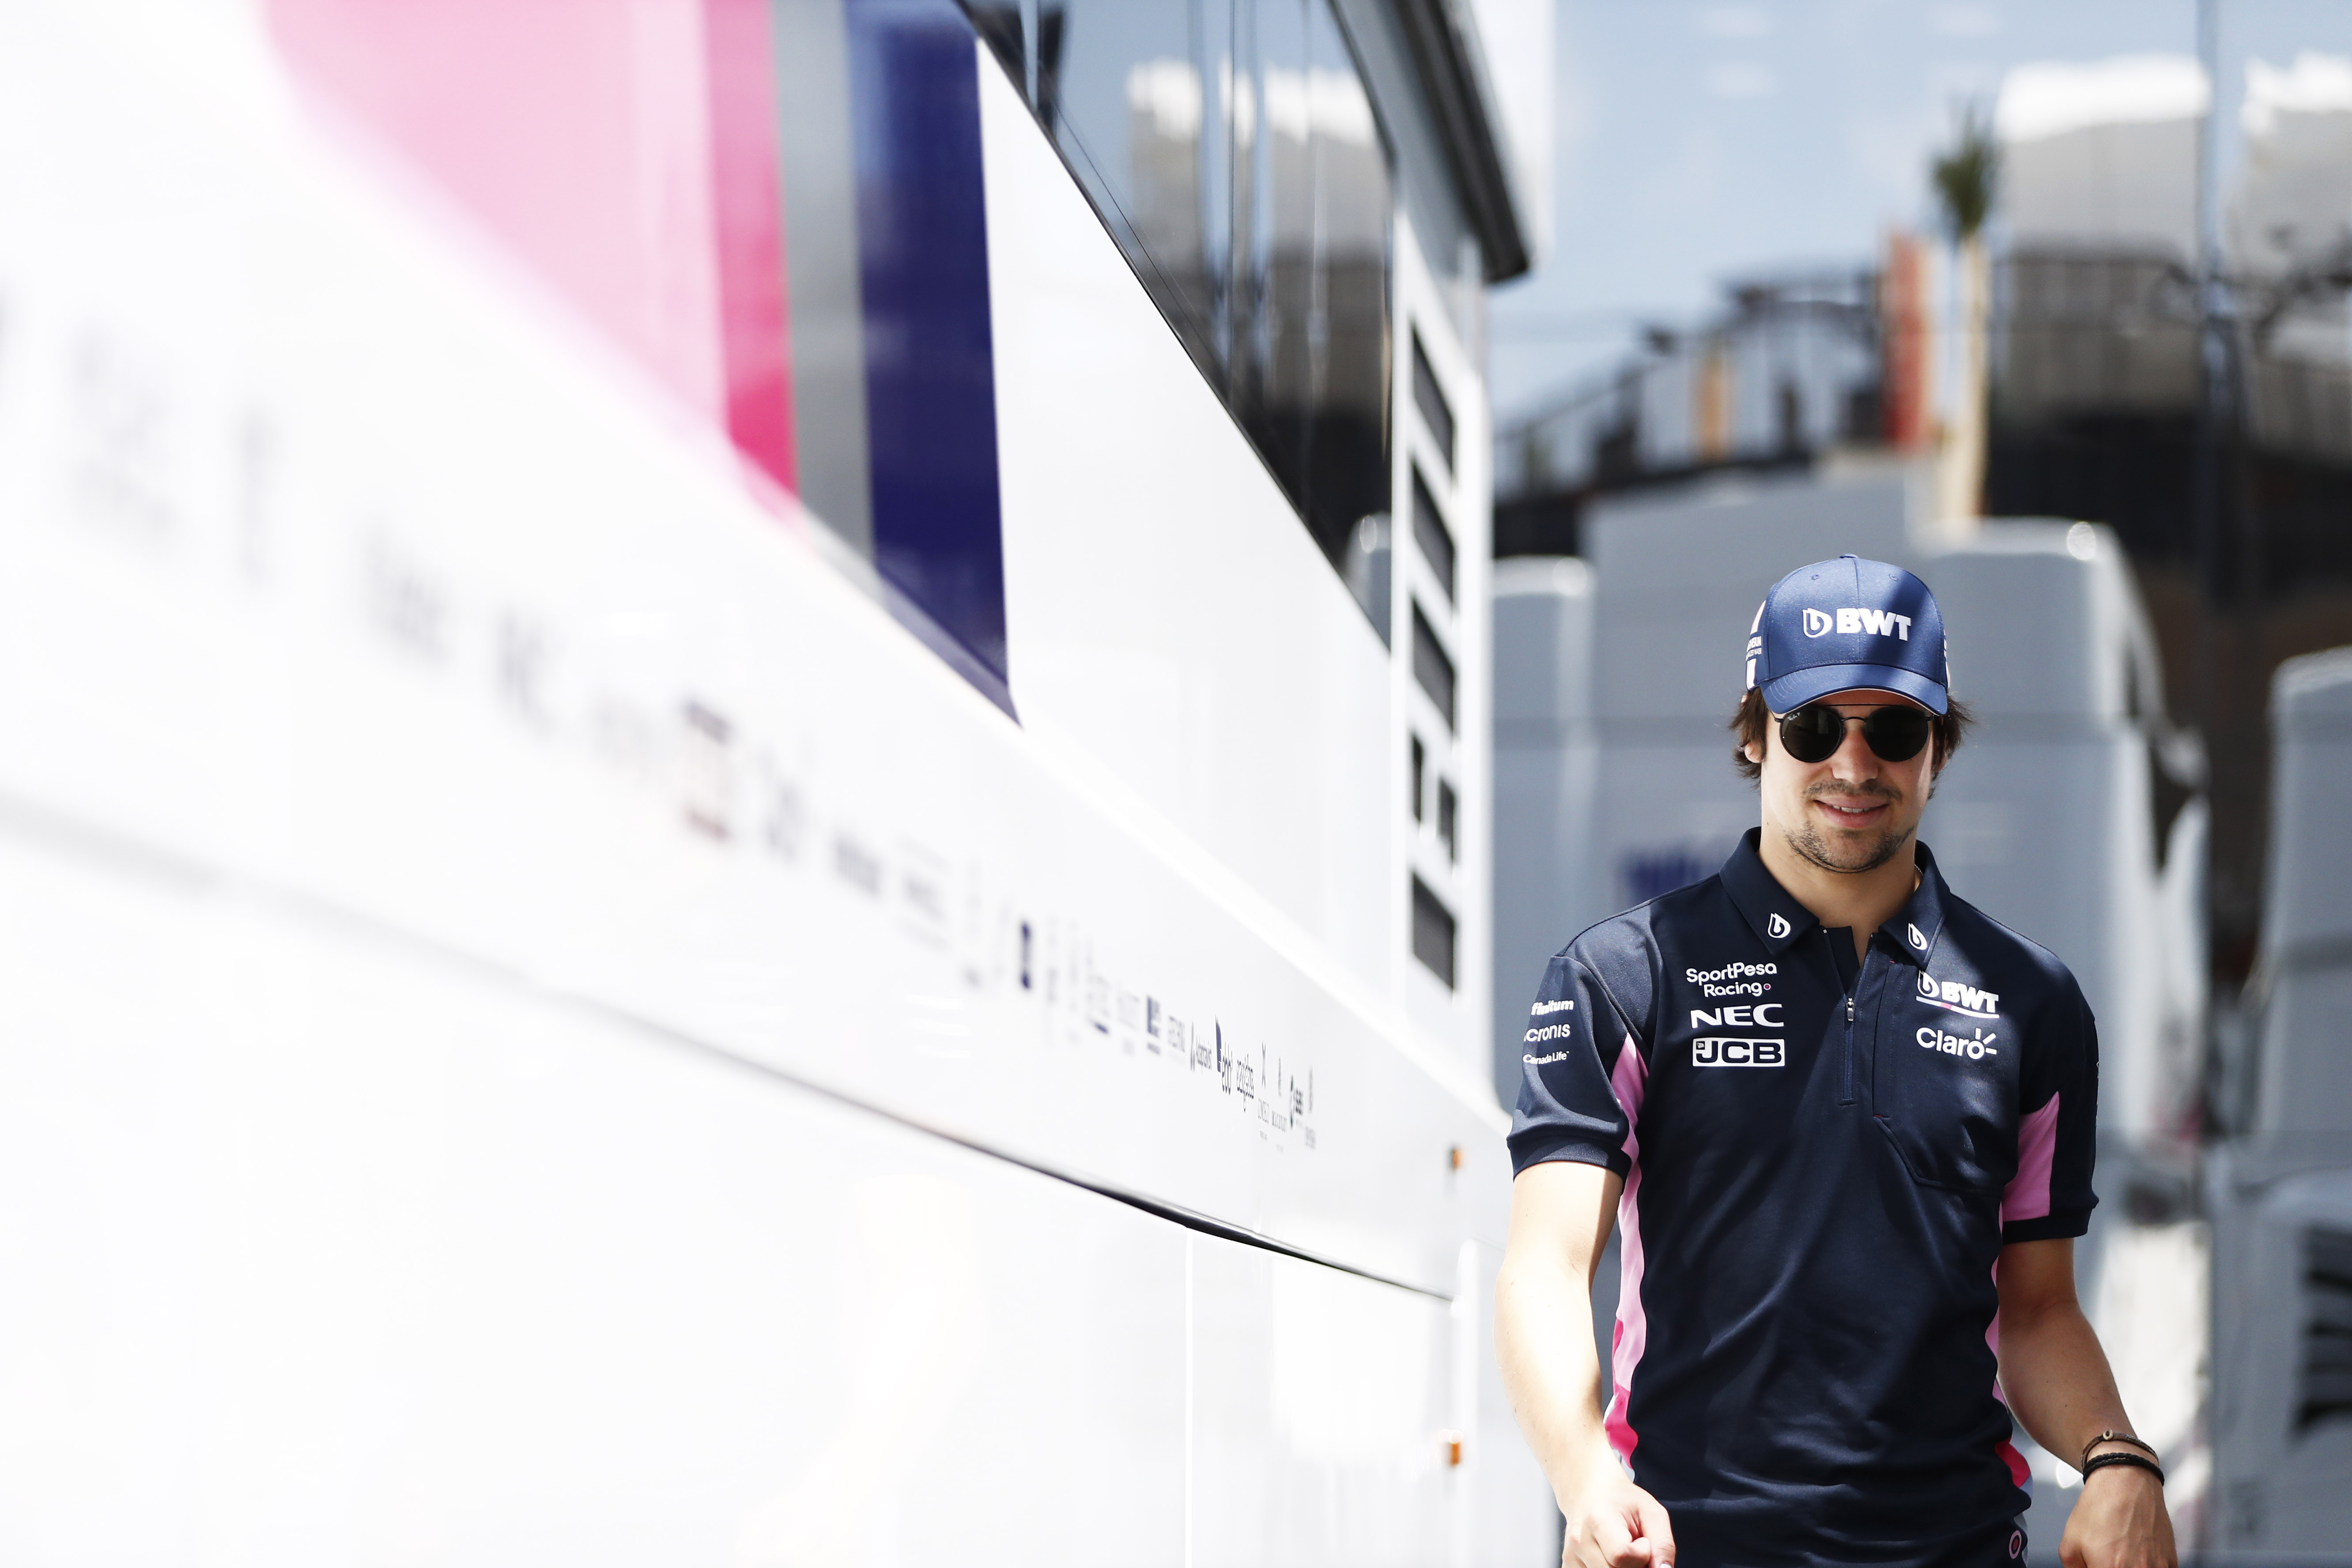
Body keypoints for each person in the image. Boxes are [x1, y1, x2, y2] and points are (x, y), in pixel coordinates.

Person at [1495, 556, 2175, 1568]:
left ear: (1938, 747)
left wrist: (2118, 1457)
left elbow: (2038, 1310)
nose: (1855, 767)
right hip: (1689, 1548)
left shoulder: (2033, 1004)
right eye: (1815, 727)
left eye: (1894, 730)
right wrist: (1585, 1476)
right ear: (1755, 733)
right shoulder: (1622, 977)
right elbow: (1545, 1267)